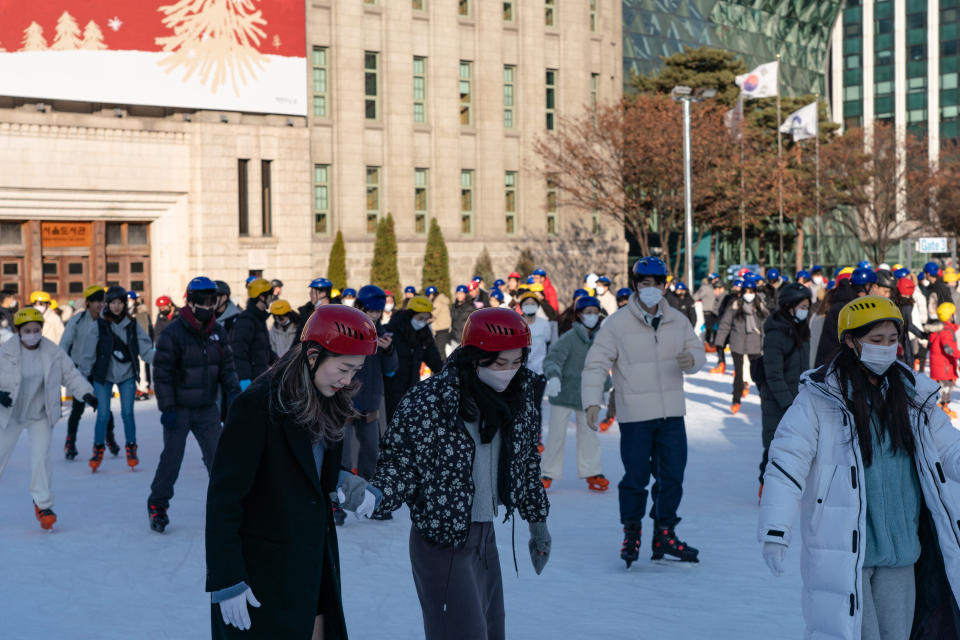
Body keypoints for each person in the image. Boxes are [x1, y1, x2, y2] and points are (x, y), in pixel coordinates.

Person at [759, 295, 960, 640]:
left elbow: (951, 450)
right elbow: (786, 464)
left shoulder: (914, 395)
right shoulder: (820, 398)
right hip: (847, 549)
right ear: (850, 342)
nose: (886, 349)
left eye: (892, 340)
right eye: (875, 340)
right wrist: (776, 529)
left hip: (902, 549)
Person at [370, 307, 551, 640]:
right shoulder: (431, 401)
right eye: (499, 363)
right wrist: (377, 495)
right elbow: (400, 461)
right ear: (474, 358)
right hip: (442, 540)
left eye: (516, 362)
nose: (509, 372)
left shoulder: (516, 398)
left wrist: (537, 523)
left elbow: (525, 463)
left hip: (485, 538)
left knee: (492, 629)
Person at [206, 305, 379, 639]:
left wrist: (347, 484)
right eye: (344, 368)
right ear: (313, 355)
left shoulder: (329, 397)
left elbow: (314, 473)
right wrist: (226, 578)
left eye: (356, 371)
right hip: (263, 568)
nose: (348, 380)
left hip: (311, 559)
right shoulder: (257, 405)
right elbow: (224, 498)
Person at [582, 256, 704, 567]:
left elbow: (696, 351)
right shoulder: (617, 323)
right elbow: (596, 364)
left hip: (672, 414)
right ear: (636, 285)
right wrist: (592, 400)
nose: (651, 289)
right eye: (644, 283)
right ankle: (632, 532)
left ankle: (664, 533)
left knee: (672, 476)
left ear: (665, 286)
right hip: (636, 415)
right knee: (635, 478)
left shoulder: (678, 319)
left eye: (657, 284)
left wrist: (693, 361)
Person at [148, 277, 241, 533]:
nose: (207, 306)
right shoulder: (173, 333)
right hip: (179, 409)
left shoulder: (217, 333)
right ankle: (158, 504)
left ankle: (227, 505)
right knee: (172, 458)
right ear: (190, 301)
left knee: (218, 458)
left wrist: (234, 393)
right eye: (201, 300)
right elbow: (162, 373)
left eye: (211, 300)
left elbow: (227, 368)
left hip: (206, 408)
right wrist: (167, 408)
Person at [0, 308, 96, 530]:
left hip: (40, 413)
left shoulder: (52, 351)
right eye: (27, 331)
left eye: (36, 330)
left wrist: (87, 394)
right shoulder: (6, 352)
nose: (32, 334)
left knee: (41, 459)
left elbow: (70, 374)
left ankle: (43, 505)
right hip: (11, 414)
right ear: (18, 331)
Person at [541, 296, 609, 492]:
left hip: (587, 395)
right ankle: (547, 472)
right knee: (556, 436)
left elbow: (601, 367)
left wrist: (606, 387)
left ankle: (592, 471)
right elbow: (552, 359)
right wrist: (553, 376)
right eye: (588, 313)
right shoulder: (569, 338)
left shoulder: (600, 340)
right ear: (579, 315)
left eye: (595, 313)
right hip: (563, 393)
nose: (592, 317)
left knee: (589, 435)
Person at [88, 286, 156, 472]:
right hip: (104, 375)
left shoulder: (133, 325)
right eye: (113, 303)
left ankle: (131, 447)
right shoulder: (99, 325)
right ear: (108, 304)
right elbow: (88, 352)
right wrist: (84, 375)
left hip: (126, 374)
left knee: (127, 413)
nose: (116, 306)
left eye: (120, 303)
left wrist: (164, 361)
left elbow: (146, 349)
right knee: (102, 414)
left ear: (125, 305)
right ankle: (98, 448)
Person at [343, 286, 397, 515]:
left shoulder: (383, 334)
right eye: (371, 311)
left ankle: (371, 499)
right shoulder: (348, 329)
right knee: (343, 454)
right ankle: (339, 501)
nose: (375, 316)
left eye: (378, 312)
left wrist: (388, 351)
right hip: (345, 400)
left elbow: (392, 371)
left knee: (372, 453)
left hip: (371, 401)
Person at [757, 283, 811, 496]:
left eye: (808, 306)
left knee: (797, 447)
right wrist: (789, 403)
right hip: (778, 401)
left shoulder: (801, 330)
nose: (805, 311)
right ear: (789, 306)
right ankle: (766, 487)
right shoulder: (776, 333)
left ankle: (792, 486)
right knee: (775, 447)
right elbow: (773, 374)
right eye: (802, 306)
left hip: (798, 399)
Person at [59, 285, 118, 460]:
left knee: (104, 406)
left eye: (103, 301)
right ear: (88, 303)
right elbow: (64, 343)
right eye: (97, 301)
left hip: (101, 370)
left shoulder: (107, 320)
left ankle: (109, 436)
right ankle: (70, 441)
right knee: (77, 408)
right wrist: (66, 366)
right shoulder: (76, 321)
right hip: (80, 371)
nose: (101, 304)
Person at [383, 296, 443, 421]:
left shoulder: (424, 333)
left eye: (426, 319)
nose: (422, 322)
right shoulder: (392, 330)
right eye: (420, 318)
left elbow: (434, 359)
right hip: (392, 389)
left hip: (412, 388)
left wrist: (446, 372)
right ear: (409, 315)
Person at [715, 278, 767, 414]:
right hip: (737, 343)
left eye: (751, 291)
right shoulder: (735, 305)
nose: (748, 294)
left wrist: (765, 343)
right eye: (746, 291)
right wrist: (720, 341)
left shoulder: (760, 305)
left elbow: (765, 326)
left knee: (757, 373)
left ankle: (766, 400)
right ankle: (736, 400)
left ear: (755, 292)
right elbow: (725, 324)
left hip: (754, 344)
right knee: (738, 374)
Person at [230, 278, 277, 392]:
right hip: (251, 380)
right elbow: (239, 351)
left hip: (260, 377)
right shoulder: (246, 319)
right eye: (270, 294)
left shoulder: (259, 318)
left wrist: (282, 363)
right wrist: (244, 378)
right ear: (262, 297)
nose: (272, 298)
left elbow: (265, 349)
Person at [928, 302, 959, 419]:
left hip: (941, 365)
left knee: (945, 387)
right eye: (953, 314)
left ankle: (943, 407)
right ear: (949, 316)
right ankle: (942, 409)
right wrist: (958, 355)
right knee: (946, 387)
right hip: (944, 366)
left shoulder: (940, 328)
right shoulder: (946, 331)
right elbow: (948, 348)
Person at [518, 291, 554, 375]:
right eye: (526, 304)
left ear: (538, 306)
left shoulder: (545, 324)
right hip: (523, 371)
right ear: (521, 306)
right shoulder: (517, 325)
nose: (530, 306)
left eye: (533, 304)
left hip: (541, 370)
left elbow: (548, 342)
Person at [129, 291, 153, 400]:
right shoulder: (126, 312)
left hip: (139, 344)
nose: (128, 302)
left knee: (141, 367)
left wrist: (143, 344)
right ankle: (137, 388)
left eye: (130, 300)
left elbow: (144, 329)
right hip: (130, 344)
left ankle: (143, 388)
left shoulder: (140, 311)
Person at [425, 286, 451, 359]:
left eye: (428, 296)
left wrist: (422, 319)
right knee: (441, 350)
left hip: (441, 330)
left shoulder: (437, 302)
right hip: (443, 329)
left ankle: (443, 368)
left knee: (440, 351)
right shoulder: (441, 301)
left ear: (431, 295)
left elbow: (431, 316)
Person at [448, 285, 475, 355]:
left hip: (465, 339)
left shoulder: (470, 307)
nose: (459, 295)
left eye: (461, 293)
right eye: (458, 293)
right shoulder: (454, 306)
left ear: (465, 294)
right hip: (454, 337)